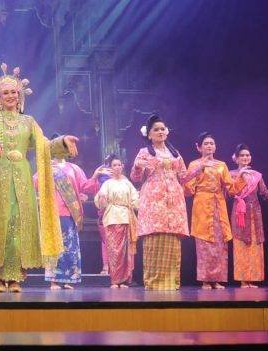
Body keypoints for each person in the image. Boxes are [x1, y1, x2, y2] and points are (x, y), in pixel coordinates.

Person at [0, 63, 79, 293]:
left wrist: (62, 142)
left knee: (19, 225)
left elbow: (44, 146)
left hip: (22, 182)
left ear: (20, 96)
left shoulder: (28, 122)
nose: (10, 96)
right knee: (0, 225)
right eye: (5, 92)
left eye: (14, 92)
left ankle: (16, 276)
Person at [131, 114, 194, 290]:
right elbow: (136, 178)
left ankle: (171, 282)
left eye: (162, 129)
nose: (160, 131)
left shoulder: (175, 153)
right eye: (156, 129)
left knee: (172, 240)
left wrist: (198, 169)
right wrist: (137, 166)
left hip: (174, 199)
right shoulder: (144, 152)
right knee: (155, 237)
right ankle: (153, 283)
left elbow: (183, 176)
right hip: (153, 199)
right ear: (149, 134)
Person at [184, 133, 246, 289]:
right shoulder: (193, 164)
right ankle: (206, 280)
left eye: (212, 143)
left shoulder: (221, 165)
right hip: (202, 204)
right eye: (206, 143)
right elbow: (188, 190)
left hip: (219, 204)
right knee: (204, 243)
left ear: (215, 146)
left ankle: (217, 279)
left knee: (219, 243)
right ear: (198, 147)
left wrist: (241, 177)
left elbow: (231, 189)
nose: (209, 146)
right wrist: (199, 170)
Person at [35, 153, 101, 289]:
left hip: (69, 211)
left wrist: (94, 176)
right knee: (53, 245)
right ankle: (53, 280)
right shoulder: (46, 168)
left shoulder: (74, 168)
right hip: (51, 211)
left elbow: (86, 186)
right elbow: (35, 184)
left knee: (70, 247)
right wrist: (45, 170)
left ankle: (67, 280)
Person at [229, 143, 268, 287]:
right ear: (236, 158)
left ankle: (252, 279)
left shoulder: (256, 175)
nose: (245, 157)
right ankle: (243, 280)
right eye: (242, 155)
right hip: (240, 213)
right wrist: (240, 176)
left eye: (247, 155)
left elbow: (266, 195)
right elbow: (230, 192)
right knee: (241, 244)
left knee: (255, 245)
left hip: (255, 214)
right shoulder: (231, 174)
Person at [94, 156, 140, 287]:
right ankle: (115, 280)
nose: (117, 167)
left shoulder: (127, 183)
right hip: (112, 218)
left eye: (119, 165)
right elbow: (100, 203)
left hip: (126, 217)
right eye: (114, 165)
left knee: (126, 251)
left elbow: (135, 200)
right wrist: (102, 199)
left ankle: (125, 280)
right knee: (114, 250)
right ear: (111, 168)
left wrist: (143, 197)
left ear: (122, 167)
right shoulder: (107, 184)